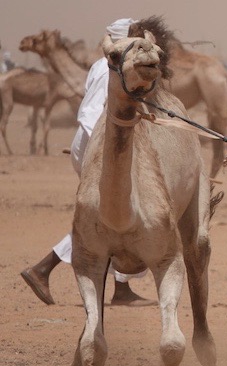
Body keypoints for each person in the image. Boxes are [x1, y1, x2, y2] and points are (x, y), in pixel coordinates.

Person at [20, 18, 154, 307]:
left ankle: (119, 288)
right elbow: (91, 112)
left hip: (102, 145)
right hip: (99, 146)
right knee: (106, 218)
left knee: (117, 215)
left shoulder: (116, 66)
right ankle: (43, 268)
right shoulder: (108, 67)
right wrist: (104, 150)